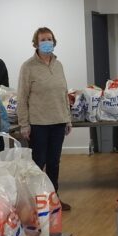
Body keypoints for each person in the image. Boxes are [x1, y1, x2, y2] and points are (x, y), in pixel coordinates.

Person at [17, 26, 73, 211]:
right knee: (37, 163)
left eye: (49, 39)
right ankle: (36, 202)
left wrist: (67, 119)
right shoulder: (28, 67)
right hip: (38, 124)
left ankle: (54, 198)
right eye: (43, 40)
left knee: (54, 163)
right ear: (36, 43)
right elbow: (22, 97)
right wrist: (24, 124)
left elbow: (63, 93)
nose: (47, 42)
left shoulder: (59, 65)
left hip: (58, 121)